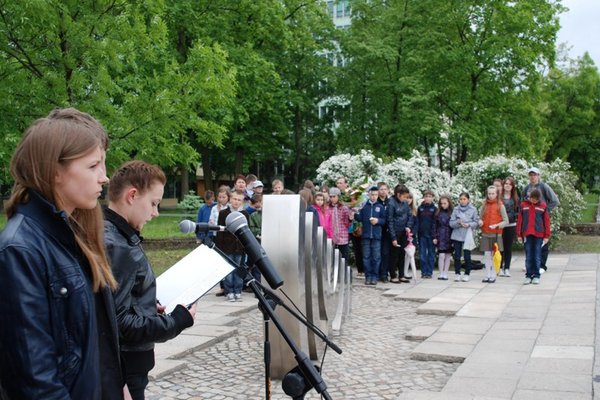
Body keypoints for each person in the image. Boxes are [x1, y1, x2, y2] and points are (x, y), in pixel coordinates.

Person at [0, 108, 123, 399]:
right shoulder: (20, 250)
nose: (104, 178)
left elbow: (94, 341)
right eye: (93, 166)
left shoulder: (75, 234)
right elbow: (34, 378)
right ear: (54, 171)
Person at [104, 160, 197, 400]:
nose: (155, 213)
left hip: (126, 364)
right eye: (153, 203)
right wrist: (176, 321)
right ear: (132, 195)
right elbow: (119, 323)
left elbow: (118, 301)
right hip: (126, 365)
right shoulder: (117, 245)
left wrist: (145, 306)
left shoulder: (117, 235)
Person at [521, 167, 559, 274]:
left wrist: (545, 210)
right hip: (529, 220)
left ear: (538, 176)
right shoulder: (526, 188)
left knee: (542, 242)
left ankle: (542, 265)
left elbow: (555, 201)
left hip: (541, 219)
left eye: (535, 175)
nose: (533, 177)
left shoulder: (544, 187)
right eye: (531, 175)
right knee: (529, 242)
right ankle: (530, 264)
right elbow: (522, 203)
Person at [214, 191, 250, 301]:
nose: (236, 201)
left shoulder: (245, 214)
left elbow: (246, 231)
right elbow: (220, 230)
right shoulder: (223, 213)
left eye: (239, 200)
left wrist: (246, 246)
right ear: (230, 199)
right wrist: (219, 247)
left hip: (239, 247)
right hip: (226, 246)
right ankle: (229, 290)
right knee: (228, 269)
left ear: (242, 201)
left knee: (239, 268)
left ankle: (238, 290)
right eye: (235, 199)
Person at [517, 189, 551, 285]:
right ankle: (528, 275)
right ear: (529, 197)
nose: (534, 201)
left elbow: (546, 221)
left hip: (539, 234)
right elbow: (520, 220)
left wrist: (547, 236)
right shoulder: (523, 205)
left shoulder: (543, 206)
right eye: (532, 199)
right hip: (527, 234)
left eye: (536, 199)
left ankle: (536, 275)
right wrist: (519, 234)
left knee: (537, 255)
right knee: (528, 256)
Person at [354, 186, 386, 285]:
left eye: (376, 195)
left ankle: (374, 277)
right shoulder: (364, 206)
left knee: (376, 257)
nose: (374, 197)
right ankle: (368, 277)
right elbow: (359, 218)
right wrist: (354, 213)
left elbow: (384, 220)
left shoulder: (380, 207)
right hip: (366, 236)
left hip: (376, 236)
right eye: (372, 194)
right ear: (368, 194)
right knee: (366, 257)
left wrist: (378, 221)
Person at [478, 186, 509, 283]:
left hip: (496, 234)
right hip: (486, 233)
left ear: (497, 194)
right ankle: (487, 274)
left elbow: (506, 221)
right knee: (487, 255)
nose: (491, 195)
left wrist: (497, 225)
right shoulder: (484, 205)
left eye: (493, 193)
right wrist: (480, 222)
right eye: (489, 193)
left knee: (495, 255)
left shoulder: (501, 205)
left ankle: (493, 275)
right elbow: (479, 218)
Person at [387, 184, 415, 283]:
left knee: (402, 254)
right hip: (394, 231)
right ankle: (393, 275)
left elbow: (410, 216)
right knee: (394, 254)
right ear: (398, 194)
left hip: (404, 231)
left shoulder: (405, 204)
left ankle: (402, 274)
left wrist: (408, 226)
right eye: (404, 196)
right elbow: (389, 220)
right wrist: (393, 237)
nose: (406, 199)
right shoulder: (391, 203)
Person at [449, 192, 479, 282]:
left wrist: (468, 224)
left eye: (464, 199)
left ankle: (467, 274)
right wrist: (458, 222)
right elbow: (451, 223)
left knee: (467, 256)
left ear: (468, 200)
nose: (462, 201)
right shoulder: (456, 209)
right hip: (457, 234)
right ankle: (457, 273)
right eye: (461, 199)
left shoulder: (473, 209)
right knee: (457, 256)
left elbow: (476, 222)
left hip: (467, 235)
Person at [499, 177, 519, 277]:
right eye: (506, 183)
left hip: (511, 225)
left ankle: (507, 268)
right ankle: (499, 267)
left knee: (508, 248)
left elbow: (518, 211)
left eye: (509, 184)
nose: (507, 185)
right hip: (501, 226)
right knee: (500, 247)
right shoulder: (499, 197)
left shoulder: (515, 198)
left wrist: (512, 217)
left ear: (512, 186)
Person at [329, 187, 353, 264]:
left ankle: (344, 274)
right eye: (331, 197)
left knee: (344, 259)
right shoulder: (327, 208)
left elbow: (347, 224)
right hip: (331, 237)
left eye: (334, 196)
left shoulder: (344, 208)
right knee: (332, 259)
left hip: (342, 236)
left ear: (338, 196)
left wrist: (350, 219)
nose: (332, 198)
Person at [433, 195, 454, 280]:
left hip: (449, 236)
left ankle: (445, 273)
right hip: (440, 236)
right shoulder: (438, 213)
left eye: (445, 203)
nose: (443, 205)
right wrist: (434, 236)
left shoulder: (452, 213)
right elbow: (434, 225)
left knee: (448, 255)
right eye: (441, 203)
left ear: (449, 203)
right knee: (441, 255)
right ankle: (441, 272)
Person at [417, 190, 437, 279]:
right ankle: (423, 272)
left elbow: (435, 223)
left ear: (432, 198)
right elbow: (417, 221)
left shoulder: (435, 209)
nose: (428, 198)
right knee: (422, 255)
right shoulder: (420, 208)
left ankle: (429, 272)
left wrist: (435, 235)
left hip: (431, 235)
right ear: (423, 198)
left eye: (430, 196)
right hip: (422, 235)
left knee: (431, 254)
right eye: (426, 196)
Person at [377, 182, 391, 282]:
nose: (383, 191)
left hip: (387, 232)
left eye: (385, 189)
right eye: (381, 189)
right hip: (377, 230)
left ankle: (384, 274)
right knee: (377, 253)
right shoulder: (375, 202)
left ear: (388, 190)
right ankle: (376, 273)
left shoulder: (390, 202)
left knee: (385, 253)